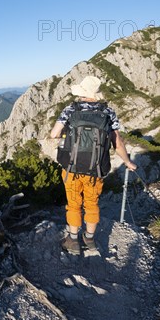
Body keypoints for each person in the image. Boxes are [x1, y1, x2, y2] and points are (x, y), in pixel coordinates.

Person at [49, 76, 137, 254]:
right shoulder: (108, 112)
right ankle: (89, 240)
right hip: (95, 170)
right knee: (91, 204)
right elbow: (117, 142)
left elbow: (54, 134)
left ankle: (72, 241)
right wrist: (127, 162)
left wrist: (70, 134)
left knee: (74, 204)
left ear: (81, 94)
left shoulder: (70, 110)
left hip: (72, 168)